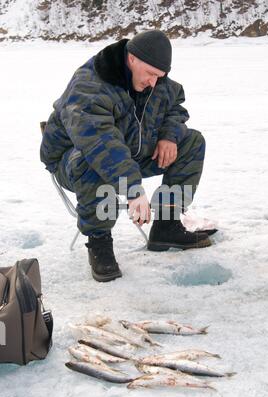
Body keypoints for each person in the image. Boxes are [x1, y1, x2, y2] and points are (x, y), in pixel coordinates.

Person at [40, 29, 215, 283]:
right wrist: (133, 188)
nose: (154, 82)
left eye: (160, 76)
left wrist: (169, 135)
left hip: (132, 152)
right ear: (132, 59)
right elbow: (102, 144)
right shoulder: (89, 85)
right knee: (91, 161)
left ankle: (166, 225)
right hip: (74, 160)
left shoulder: (155, 79)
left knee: (192, 142)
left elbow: (175, 106)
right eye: (151, 75)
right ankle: (99, 242)